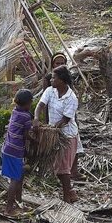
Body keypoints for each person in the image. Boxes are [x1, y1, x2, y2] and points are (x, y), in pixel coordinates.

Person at [35, 65, 80, 203]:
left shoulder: (71, 98)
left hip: (67, 135)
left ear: (61, 80)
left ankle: (67, 197)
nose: (51, 80)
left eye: (54, 78)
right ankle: (70, 192)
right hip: (54, 133)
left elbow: (65, 120)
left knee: (63, 168)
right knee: (57, 167)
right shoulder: (50, 91)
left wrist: (50, 129)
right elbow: (40, 106)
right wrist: (36, 118)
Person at [41, 53, 84, 181]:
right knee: (54, 147)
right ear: (52, 64)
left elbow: (67, 116)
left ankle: (71, 172)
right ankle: (57, 173)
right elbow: (43, 103)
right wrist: (44, 121)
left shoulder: (69, 86)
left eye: (62, 63)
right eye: (57, 63)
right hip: (53, 115)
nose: (60, 65)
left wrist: (58, 126)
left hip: (67, 116)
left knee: (72, 146)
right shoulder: (49, 81)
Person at [1, 89, 35, 215]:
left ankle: (19, 202)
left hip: (7, 148)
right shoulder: (26, 117)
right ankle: (8, 208)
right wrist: (35, 141)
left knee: (19, 176)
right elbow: (26, 135)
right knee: (15, 179)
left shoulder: (15, 111)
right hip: (15, 151)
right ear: (28, 103)